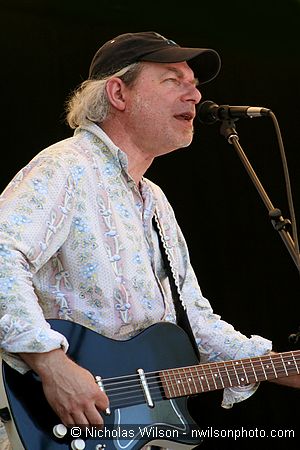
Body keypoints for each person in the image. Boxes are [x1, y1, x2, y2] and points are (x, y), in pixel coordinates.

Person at [0, 31, 299, 448]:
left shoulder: (154, 200)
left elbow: (197, 324)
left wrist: (280, 366)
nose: (194, 96)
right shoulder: (65, 168)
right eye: (173, 80)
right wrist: (52, 365)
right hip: (49, 421)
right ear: (119, 93)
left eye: (194, 84)